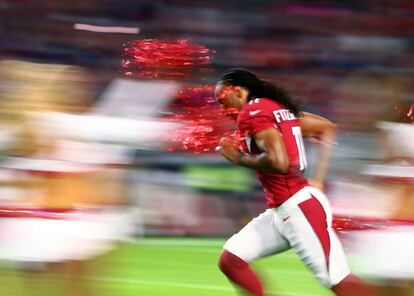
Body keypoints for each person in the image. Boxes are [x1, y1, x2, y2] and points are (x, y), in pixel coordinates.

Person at [214, 68, 375, 296]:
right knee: (231, 260)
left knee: (339, 281)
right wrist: (317, 178)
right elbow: (326, 128)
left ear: (239, 92)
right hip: (284, 209)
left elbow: (279, 162)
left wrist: (238, 157)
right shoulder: (274, 108)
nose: (221, 107)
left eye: (221, 99)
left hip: (297, 208)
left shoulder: (253, 111)